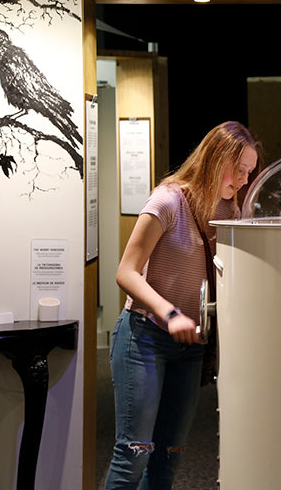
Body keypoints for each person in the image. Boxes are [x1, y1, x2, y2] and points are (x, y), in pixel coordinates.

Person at [104, 121, 260, 489]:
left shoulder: (231, 212)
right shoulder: (167, 200)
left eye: (249, 173)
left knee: (169, 456)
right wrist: (170, 313)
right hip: (144, 337)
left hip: (191, 346)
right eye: (238, 169)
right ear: (215, 158)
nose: (242, 180)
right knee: (134, 453)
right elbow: (126, 272)